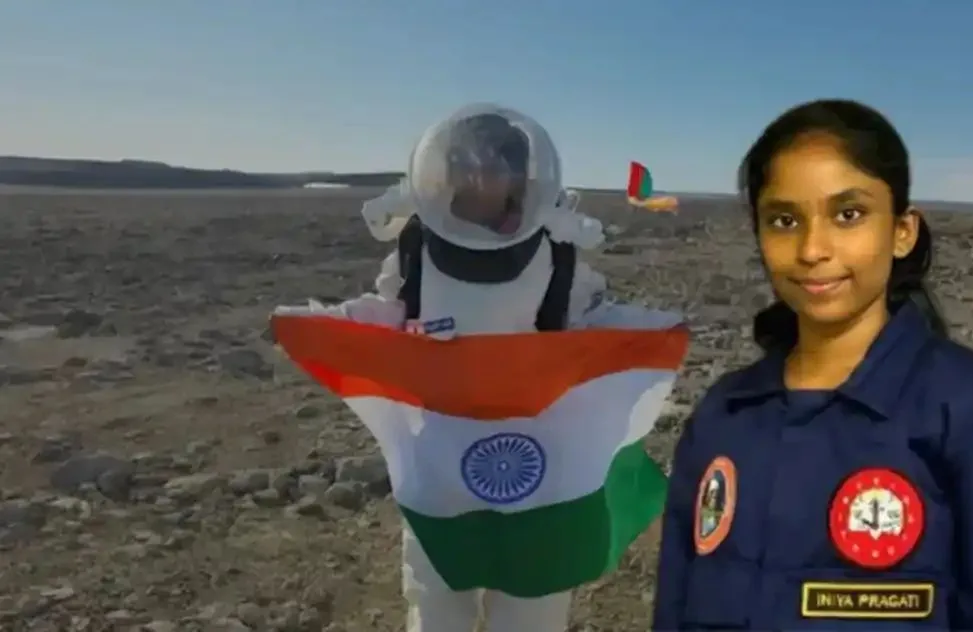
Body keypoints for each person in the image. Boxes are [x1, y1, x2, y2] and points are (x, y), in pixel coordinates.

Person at [651, 99, 973, 630]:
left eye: (848, 215)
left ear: (903, 231)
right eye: (784, 220)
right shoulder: (723, 419)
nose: (812, 249)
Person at [273, 104, 684, 632]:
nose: (477, 175)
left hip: (536, 456)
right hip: (443, 451)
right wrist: (321, 323)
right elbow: (391, 312)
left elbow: (588, 321)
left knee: (534, 595)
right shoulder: (418, 246)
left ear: (517, 173)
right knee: (438, 586)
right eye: (465, 163)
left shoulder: (556, 253)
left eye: (492, 163)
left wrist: (657, 330)